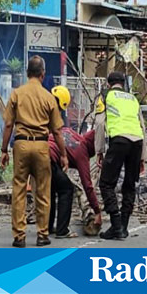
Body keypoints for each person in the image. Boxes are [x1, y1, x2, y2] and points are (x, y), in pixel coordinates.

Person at [0, 56, 67, 248]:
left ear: (27, 73)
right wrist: (63, 155)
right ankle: (42, 234)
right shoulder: (48, 97)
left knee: (19, 190)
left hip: (20, 145)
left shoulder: (17, 94)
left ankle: (19, 236)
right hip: (41, 146)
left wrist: (4, 150)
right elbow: (57, 131)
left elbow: (8, 125)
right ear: (42, 74)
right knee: (43, 191)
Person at [95, 71, 147, 240]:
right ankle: (123, 227)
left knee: (106, 183)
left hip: (119, 140)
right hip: (137, 142)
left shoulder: (105, 96)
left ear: (108, 84)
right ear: (123, 84)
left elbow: (100, 123)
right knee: (129, 185)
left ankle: (116, 225)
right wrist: (142, 157)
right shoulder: (133, 99)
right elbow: (142, 126)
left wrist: (99, 150)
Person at [47, 86, 102, 239]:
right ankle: (62, 230)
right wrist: (97, 211)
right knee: (66, 189)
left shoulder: (72, 133)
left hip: (38, 153)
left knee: (51, 189)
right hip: (48, 158)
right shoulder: (82, 151)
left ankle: (48, 226)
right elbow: (87, 185)